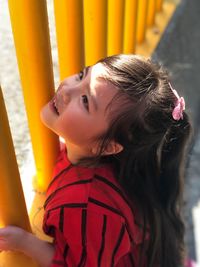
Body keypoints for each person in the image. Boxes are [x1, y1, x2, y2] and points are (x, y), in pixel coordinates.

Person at [0, 54, 192, 267]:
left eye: (85, 101)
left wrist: (25, 243)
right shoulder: (115, 162)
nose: (65, 89)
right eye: (82, 75)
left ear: (110, 146)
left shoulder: (85, 205)